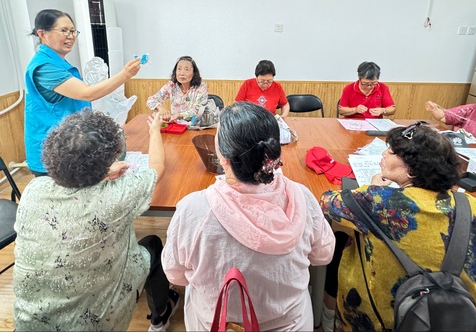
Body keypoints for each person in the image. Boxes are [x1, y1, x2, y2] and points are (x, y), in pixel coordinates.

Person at [161, 101, 335, 330]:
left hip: (215, 323)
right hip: (290, 323)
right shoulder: (302, 197)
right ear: (273, 152)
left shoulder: (193, 209)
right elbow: (323, 255)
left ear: (222, 156)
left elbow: (175, 275)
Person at [13, 109, 179, 332]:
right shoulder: (115, 196)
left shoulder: (34, 189)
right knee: (154, 245)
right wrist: (154, 130)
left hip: (29, 323)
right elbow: (157, 166)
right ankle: (161, 316)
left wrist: (100, 173)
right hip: (93, 322)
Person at [320, 122, 476, 331]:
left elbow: (327, 202)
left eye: (392, 152)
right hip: (454, 316)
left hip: (382, 320)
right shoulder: (471, 204)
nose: (385, 153)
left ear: (412, 170)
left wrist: (373, 187)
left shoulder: (378, 200)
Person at [25, 9, 141, 176]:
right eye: (64, 30)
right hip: (53, 153)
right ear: (42, 34)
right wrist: (125, 74)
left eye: (72, 31)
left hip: (69, 146)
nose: (70, 36)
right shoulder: (45, 67)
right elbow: (87, 93)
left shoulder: (59, 63)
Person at [146, 55, 208, 122]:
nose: (182, 73)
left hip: (195, 126)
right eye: (179, 69)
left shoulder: (201, 87)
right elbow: (151, 100)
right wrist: (161, 108)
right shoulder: (171, 85)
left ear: (194, 73)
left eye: (186, 69)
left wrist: (179, 115)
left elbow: (198, 110)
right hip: (176, 125)